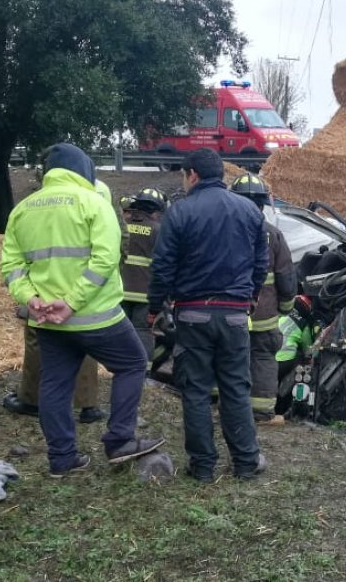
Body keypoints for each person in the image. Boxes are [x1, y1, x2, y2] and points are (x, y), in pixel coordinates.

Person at [0, 143, 163, 477]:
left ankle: (62, 459)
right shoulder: (95, 204)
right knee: (132, 364)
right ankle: (119, 440)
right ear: (83, 170)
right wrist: (73, 302)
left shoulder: (22, 209)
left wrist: (29, 298)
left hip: (47, 320)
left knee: (55, 385)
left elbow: (12, 266)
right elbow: (105, 259)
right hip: (96, 316)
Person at [146, 148, 269, 483]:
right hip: (234, 316)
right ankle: (245, 462)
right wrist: (252, 296)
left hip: (192, 316)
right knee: (235, 389)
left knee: (196, 391)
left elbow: (163, 266)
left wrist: (154, 308)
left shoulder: (180, 212)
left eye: (183, 176)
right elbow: (261, 263)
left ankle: (202, 467)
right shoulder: (249, 211)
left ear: (193, 175)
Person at [229, 174, 297, 421]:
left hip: (229, 311)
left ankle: (220, 404)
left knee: (226, 356)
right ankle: (261, 411)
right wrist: (287, 307)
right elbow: (286, 276)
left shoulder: (223, 232)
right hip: (264, 315)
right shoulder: (273, 235)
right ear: (261, 205)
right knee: (263, 358)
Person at [120, 188, 168, 374]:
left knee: (122, 331)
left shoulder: (123, 225)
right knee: (143, 331)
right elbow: (163, 265)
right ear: (156, 210)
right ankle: (143, 372)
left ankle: (120, 369)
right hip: (145, 294)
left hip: (120, 291)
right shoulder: (158, 230)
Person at [275, 295, 317, 416]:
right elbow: (308, 349)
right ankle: (280, 410)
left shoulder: (279, 312)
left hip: (268, 354)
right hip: (285, 360)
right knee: (298, 367)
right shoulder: (303, 324)